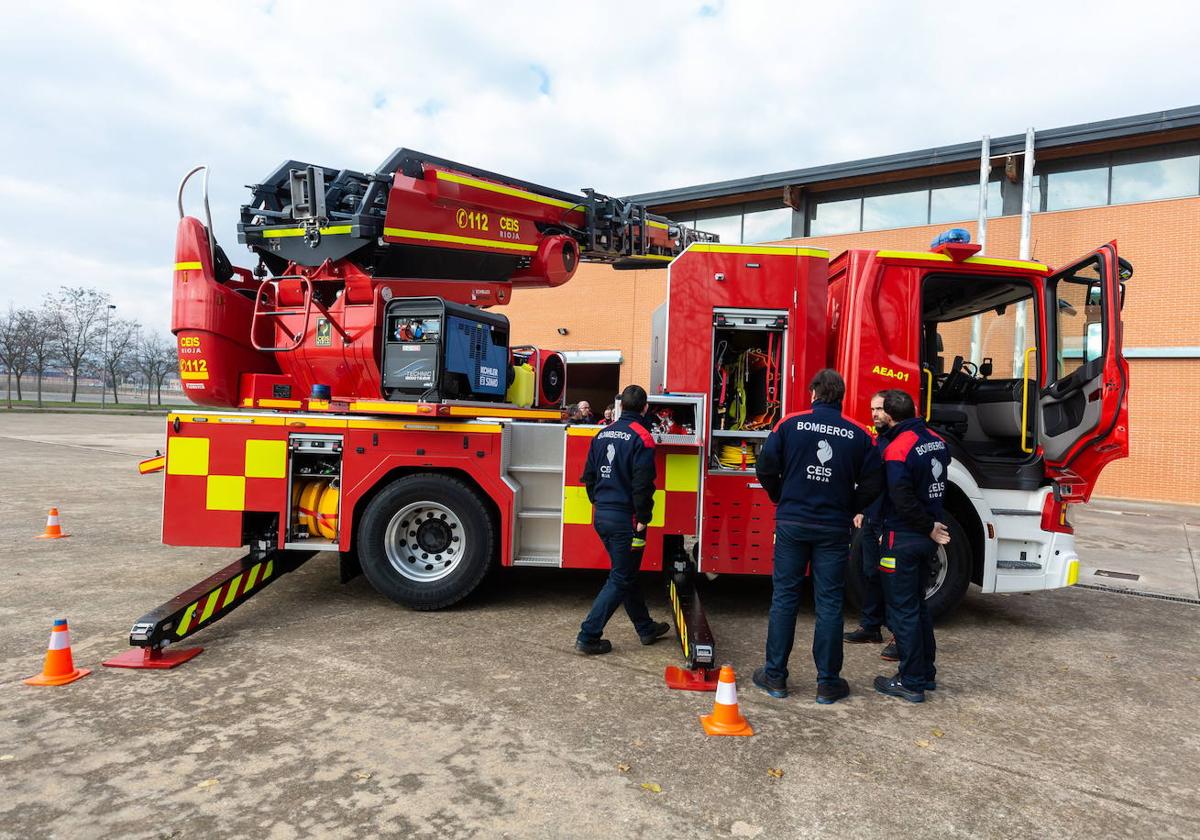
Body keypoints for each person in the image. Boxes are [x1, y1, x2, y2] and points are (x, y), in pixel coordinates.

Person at [751, 369, 881, 704]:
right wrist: (850, 505)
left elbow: (764, 466)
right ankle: (827, 683)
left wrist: (781, 496)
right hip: (834, 528)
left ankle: (775, 677)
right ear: (841, 396)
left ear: (812, 393)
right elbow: (874, 482)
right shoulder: (859, 434)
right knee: (829, 603)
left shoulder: (789, 424)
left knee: (785, 599)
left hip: (793, 523)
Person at [575, 384, 670, 654]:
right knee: (621, 576)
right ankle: (588, 635)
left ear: (621, 407)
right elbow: (644, 484)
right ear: (645, 408)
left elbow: (589, 477)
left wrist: (601, 503)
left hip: (603, 516)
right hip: (626, 521)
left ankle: (645, 628)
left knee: (626, 573)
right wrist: (642, 518)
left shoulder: (602, 433)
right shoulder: (643, 437)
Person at [873, 389, 951, 703]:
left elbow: (901, 499)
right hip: (924, 540)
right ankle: (926, 673)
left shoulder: (897, 448)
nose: (877, 417)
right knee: (918, 608)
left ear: (890, 416)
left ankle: (911, 681)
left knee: (903, 612)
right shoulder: (937, 440)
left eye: (880, 412)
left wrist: (926, 527)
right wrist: (930, 526)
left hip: (903, 538)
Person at [844, 391, 894, 656]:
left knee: (894, 579)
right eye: (872, 409)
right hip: (873, 517)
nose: (874, 414)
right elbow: (873, 480)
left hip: (888, 522)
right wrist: (863, 509)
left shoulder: (897, 442)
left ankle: (899, 636)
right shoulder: (881, 440)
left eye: (879, 409)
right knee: (870, 572)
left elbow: (895, 487)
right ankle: (871, 627)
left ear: (892, 411)